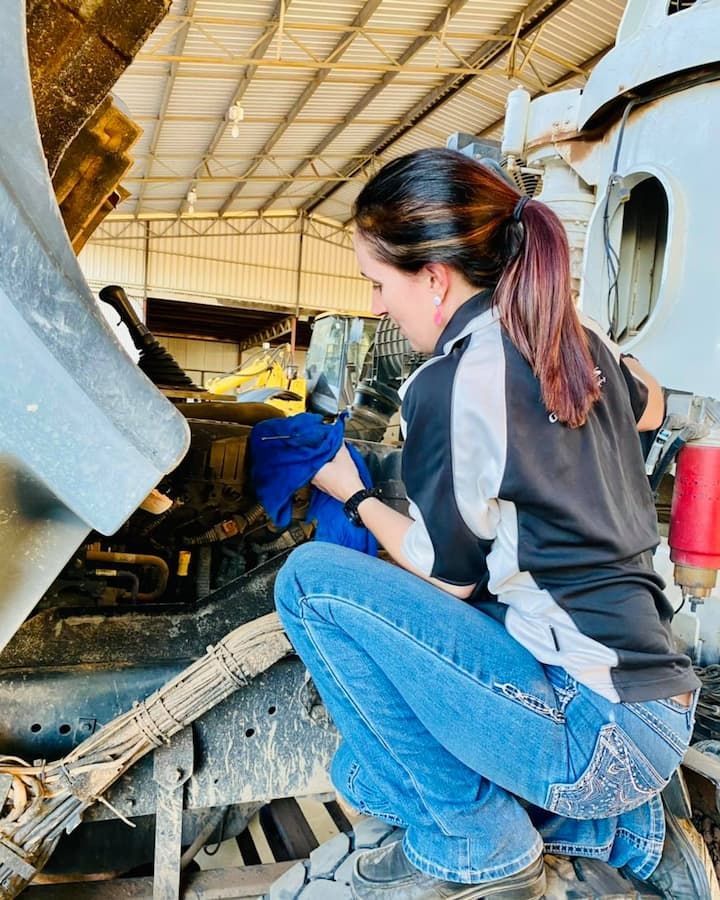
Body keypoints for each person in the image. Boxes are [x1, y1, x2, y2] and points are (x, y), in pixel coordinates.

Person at [274, 148, 713, 899]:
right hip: (660, 715)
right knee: (363, 767)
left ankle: (479, 847)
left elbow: (448, 577)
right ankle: (620, 837)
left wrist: (352, 495)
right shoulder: (586, 343)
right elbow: (652, 407)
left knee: (310, 585)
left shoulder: (449, 384)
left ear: (435, 279)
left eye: (379, 284)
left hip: (593, 736)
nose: (378, 305)